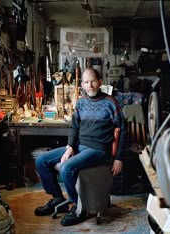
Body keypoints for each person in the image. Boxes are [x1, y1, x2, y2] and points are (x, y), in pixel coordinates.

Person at [34, 67, 127, 226]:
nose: (90, 85)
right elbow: (75, 128)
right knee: (41, 161)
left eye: (93, 81)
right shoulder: (81, 103)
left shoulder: (110, 102)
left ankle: (80, 208)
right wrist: (70, 147)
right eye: (86, 82)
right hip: (79, 146)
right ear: (82, 85)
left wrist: (118, 158)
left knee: (66, 168)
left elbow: (123, 130)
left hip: (98, 150)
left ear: (100, 82)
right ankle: (57, 198)